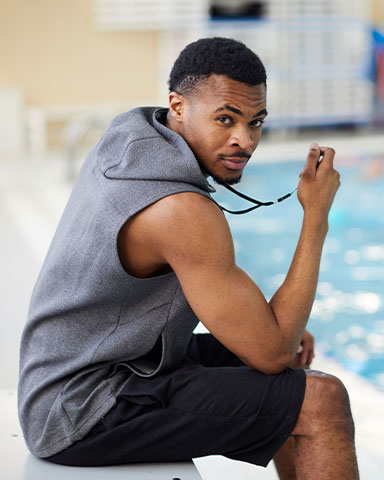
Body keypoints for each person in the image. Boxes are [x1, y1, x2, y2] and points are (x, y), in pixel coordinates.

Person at [18, 37, 359, 479]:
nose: (244, 140)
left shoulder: (133, 137)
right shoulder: (181, 210)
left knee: (290, 349)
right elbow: (270, 353)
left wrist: (278, 331)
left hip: (79, 376)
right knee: (322, 401)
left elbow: (265, 334)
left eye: (255, 122)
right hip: (82, 410)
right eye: (225, 119)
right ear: (178, 106)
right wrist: (316, 217)